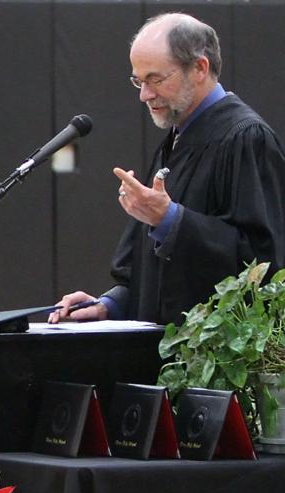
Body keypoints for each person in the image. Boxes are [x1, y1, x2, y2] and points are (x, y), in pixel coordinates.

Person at [51, 12, 285, 326]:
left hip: (216, 363)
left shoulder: (245, 138)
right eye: (138, 80)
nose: (144, 95)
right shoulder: (178, 137)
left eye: (155, 79)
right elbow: (154, 272)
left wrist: (171, 220)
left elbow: (265, 263)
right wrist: (112, 304)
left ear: (200, 68)